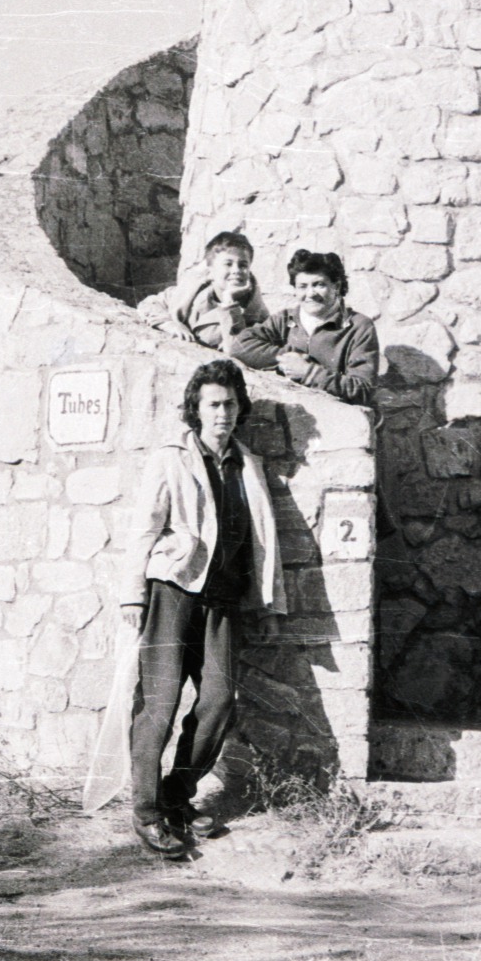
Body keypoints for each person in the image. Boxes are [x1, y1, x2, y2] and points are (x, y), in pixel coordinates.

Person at [115, 359, 285, 857]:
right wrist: (133, 594)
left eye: (230, 404)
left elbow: (264, 539)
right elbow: (145, 528)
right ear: (196, 409)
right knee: (160, 703)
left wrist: (269, 604)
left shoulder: (247, 464)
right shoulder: (172, 458)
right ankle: (147, 812)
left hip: (223, 601)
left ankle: (175, 794)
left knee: (218, 700)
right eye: (213, 404)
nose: (222, 413)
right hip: (173, 592)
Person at [231, 249, 378, 406]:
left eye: (319, 285)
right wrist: (290, 358)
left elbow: (363, 390)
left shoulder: (358, 326)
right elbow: (239, 347)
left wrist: (309, 372)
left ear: (336, 286)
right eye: (302, 286)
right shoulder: (284, 319)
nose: (310, 293)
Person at [137, 231, 269, 352]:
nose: (236, 270)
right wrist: (170, 324)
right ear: (211, 269)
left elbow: (238, 348)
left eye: (243, 265)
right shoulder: (193, 292)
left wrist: (229, 303)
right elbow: (150, 304)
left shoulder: (258, 315)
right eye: (228, 264)